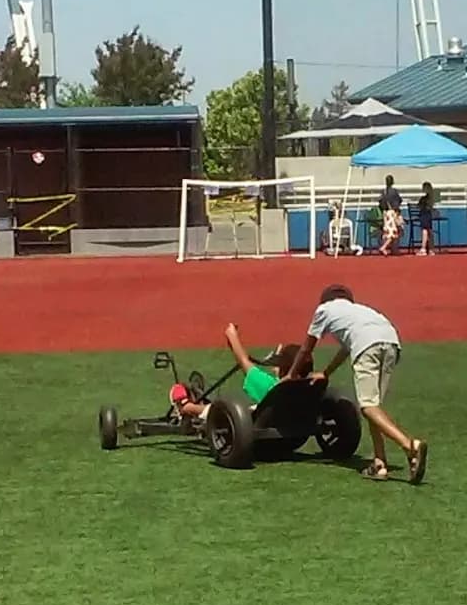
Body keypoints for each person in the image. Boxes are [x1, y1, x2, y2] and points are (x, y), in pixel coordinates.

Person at [288, 284, 428, 484]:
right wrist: (326, 373)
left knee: (368, 406)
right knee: (374, 406)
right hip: (391, 342)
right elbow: (346, 349)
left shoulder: (324, 310)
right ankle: (379, 463)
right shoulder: (360, 311)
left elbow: (306, 349)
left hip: (367, 345)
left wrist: (291, 375)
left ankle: (409, 446)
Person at [174, 324, 311, 424]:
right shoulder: (308, 388)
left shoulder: (271, 387)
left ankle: (188, 408)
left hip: (261, 432)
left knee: (226, 409)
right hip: (290, 433)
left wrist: (232, 336)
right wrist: (279, 371)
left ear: (284, 370)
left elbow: (244, 361)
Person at [378, 175, 403, 255]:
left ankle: (390, 248)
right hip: (392, 213)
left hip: (386, 213)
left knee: (388, 232)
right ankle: (386, 247)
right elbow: (399, 201)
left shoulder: (384, 192)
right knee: (394, 232)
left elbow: (380, 203)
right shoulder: (394, 192)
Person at [416, 181, 435, 255]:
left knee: (425, 230)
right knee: (429, 231)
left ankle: (423, 248)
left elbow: (419, 206)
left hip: (424, 215)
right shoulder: (431, 198)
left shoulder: (425, 199)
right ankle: (431, 249)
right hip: (428, 215)